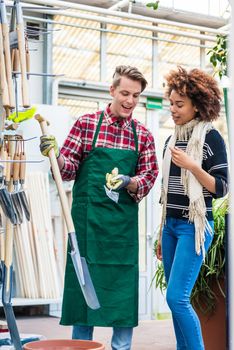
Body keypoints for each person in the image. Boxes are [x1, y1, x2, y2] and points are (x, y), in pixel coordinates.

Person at [40, 65, 158, 350]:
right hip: (87, 231)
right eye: (125, 93)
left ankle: (122, 348)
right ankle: (82, 347)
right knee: (84, 291)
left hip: (121, 235)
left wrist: (128, 181)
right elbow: (67, 170)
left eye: (136, 96)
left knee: (122, 295)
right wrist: (54, 154)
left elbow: (149, 176)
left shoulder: (142, 135)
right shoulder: (87, 124)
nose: (130, 101)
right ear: (112, 90)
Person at [156, 66, 228, 350]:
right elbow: (167, 195)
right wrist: (160, 234)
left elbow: (221, 188)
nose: (172, 109)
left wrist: (193, 166)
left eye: (179, 104)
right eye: (171, 103)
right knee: (174, 302)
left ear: (197, 105)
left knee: (178, 298)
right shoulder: (170, 141)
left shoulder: (210, 139)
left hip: (194, 227)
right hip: (171, 226)